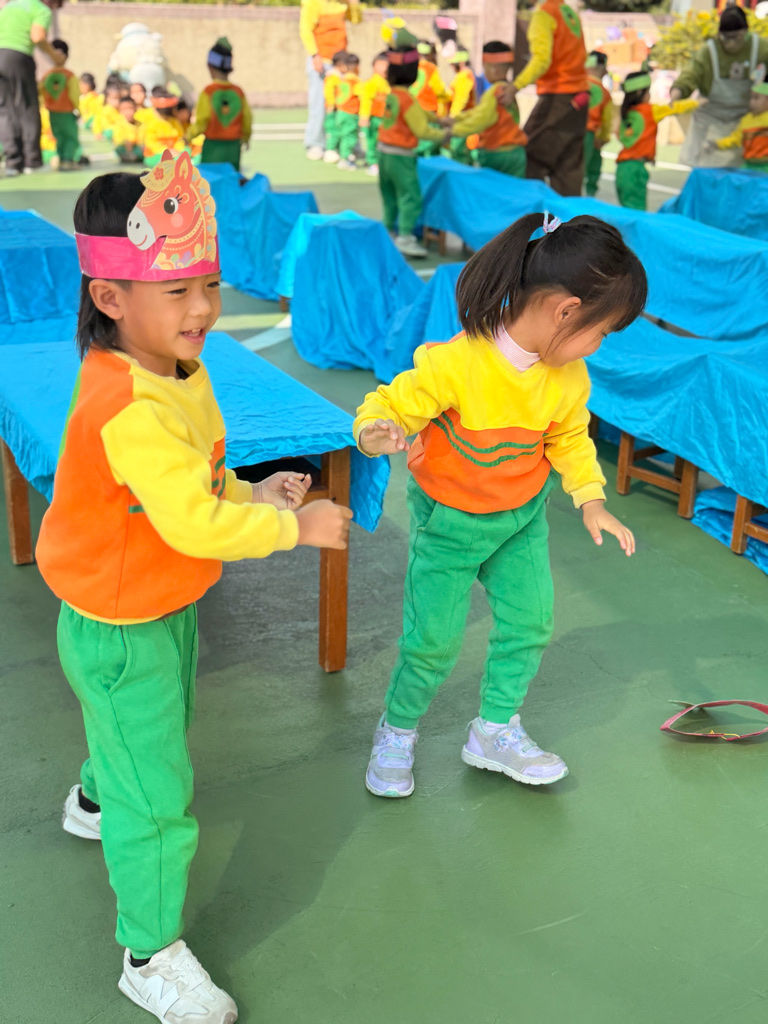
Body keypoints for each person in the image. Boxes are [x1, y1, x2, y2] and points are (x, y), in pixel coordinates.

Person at [39, 157, 352, 1023]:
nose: (205, 307)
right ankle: (148, 953)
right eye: (177, 290)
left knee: (148, 733)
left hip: (155, 600)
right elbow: (190, 523)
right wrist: (295, 528)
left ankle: (94, 798)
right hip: (122, 622)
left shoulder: (172, 368)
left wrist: (253, 491)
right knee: (158, 799)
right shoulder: (130, 407)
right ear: (111, 298)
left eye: (209, 284)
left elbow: (191, 487)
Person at [354, 212, 647, 799]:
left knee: (530, 622)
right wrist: (376, 431)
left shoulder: (568, 377)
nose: (598, 345)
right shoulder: (457, 363)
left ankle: (493, 730)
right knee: (432, 641)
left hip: (520, 520)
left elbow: (570, 438)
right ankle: (398, 729)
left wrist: (591, 499)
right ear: (566, 310)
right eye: (601, 332)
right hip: (450, 523)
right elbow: (390, 404)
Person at [502, 0, 589, 196]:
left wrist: (515, 86)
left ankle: (530, 214)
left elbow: (542, 59)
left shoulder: (544, 14)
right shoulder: (568, 12)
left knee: (527, 158)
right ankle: (567, 216)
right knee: (568, 172)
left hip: (558, 98)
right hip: (579, 99)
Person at [378, 29, 449, 258]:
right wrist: (444, 134)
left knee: (389, 197)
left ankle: (387, 232)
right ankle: (406, 237)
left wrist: (437, 119)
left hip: (383, 154)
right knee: (411, 196)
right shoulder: (408, 99)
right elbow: (421, 130)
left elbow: (419, 113)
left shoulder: (393, 95)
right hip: (401, 156)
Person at [671, 5, 768, 167]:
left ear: (746, 32)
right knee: (703, 171)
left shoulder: (761, 48)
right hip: (709, 121)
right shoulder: (709, 51)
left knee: (739, 174)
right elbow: (690, 75)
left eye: (736, 37)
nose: (730, 43)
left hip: (743, 122)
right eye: (725, 38)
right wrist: (676, 95)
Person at [616, 66, 698, 210]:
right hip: (635, 170)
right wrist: (699, 102)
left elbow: (625, 138)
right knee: (636, 213)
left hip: (622, 169)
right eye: (648, 91)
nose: (650, 95)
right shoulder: (649, 111)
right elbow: (675, 107)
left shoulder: (627, 113)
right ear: (640, 92)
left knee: (627, 210)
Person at [0, 0, 65, 175]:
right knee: (27, 107)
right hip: (18, 57)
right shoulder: (41, 9)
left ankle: (13, 162)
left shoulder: (11, 6)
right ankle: (32, 161)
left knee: (5, 110)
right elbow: (38, 36)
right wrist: (54, 56)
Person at [449, 41, 527, 177]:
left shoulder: (495, 92)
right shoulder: (509, 91)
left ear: (493, 68)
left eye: (485, 66)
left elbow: (481, 119)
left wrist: (453, 131)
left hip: (497, 153)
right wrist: (457, 119)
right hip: (516, 152)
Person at [299, 0, 361, 160]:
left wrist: (354, 5)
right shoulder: (313, 3)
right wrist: (314, 55)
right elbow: (305, 30)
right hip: (321, 60)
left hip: (341, 63)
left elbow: (356, 20)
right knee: (319, 104)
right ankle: (315, 144)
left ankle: (346, 145)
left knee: (346, 104)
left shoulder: (343, 3)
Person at [191, 37, 251, 171]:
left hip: (212, 147)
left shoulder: (208, 92)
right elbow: (247, 118)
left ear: (209, 66)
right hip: (233, 147)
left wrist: (189, 136)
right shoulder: (238, 92)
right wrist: (246, 137)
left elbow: (202, 120)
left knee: (210, 179)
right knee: (230, 178)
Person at [711, 72, 768, 170]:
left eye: (756, 98)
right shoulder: (746, 120)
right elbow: (736, 139)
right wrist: (718, 144)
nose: (751, 102)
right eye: (751, 98)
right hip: (749, 165)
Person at [39, 38, 81, 170]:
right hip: (67, 111)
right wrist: (77, 109)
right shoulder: (70, 75)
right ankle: (67, 159)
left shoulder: (46, 75)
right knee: (70, 136)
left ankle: (61, 158)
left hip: (52, 112)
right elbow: (74, 94)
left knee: (59, 136)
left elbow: (40, 92)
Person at [411, 40, 451, 156]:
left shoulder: (411, 66)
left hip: (413, 108)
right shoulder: (431, 68)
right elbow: (438, 89)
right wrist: (448, 96)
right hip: (429, 109)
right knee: (430, 141)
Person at [584, 50, 612, 197]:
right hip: (590, 136)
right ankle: (588, 198)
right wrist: (603, 138)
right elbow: (607, 121)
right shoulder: (604, 93)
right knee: (592, 170)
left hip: (569, 131)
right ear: (603, 69)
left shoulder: (576, 85)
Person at [359, 51, 389, 176]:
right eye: (380, 64)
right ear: (374, 66)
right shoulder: (371, 83)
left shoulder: (390, 82)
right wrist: (364, 117)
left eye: (386, 65)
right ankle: (373, 163)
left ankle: (383, 162)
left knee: (386, 142)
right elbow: (366, 101)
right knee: (372, 141)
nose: (384, 68)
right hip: (375, 118)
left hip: (387, 119)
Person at [143, 86, 187, 166]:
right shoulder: (150, 121)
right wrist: (167, 151)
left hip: (174, 152)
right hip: (156, 154)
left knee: (186, 151)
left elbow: (180, 139)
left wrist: (176, 150)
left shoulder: (175, 122)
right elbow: (151, 142)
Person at [447, 46, 476, 164]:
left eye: (453, 64)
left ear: (461, 62)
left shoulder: (464, 76)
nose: (451, 67)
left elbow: (461, 99)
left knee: (458, 151)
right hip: (466, 118)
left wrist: (453, 117)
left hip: (461, 120)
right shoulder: (467, 75)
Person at [335, 51, 361, 170]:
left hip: (340, 112)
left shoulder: (342, 80)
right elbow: (362, 95)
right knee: (349, 137)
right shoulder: (355, 81)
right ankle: (345, 159)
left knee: (343, 135)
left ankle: (344, 155)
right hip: (350, 113)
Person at [322, 49, 347, 163]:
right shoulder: (332, 77)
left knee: (341, 129)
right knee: (332, 130)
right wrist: (331, 104)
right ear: (340, 65)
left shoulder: (342, 76)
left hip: (341, 108)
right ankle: (330, 150)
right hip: (333, 109)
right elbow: (329, 92)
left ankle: (340, 149)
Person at [112, 95, 144, 164]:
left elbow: (142, 139)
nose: (128, 112)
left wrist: (135, 142)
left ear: (135, 108)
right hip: (125, 148)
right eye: (124, 109)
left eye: (130, 108)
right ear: (119, 110)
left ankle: (135, 157)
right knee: (119, 148)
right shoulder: (119, 124)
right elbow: (118, 140)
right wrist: (127, 142)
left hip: (136, 147)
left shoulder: (140, 124)